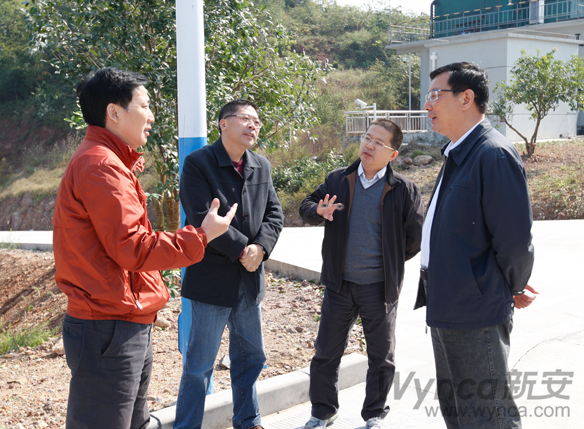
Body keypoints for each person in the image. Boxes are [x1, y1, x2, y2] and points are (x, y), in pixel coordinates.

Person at [52, 67, 237, 429]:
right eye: (145, 105)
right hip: (107, 325)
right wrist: (200, 236)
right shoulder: (101, 166)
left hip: (119, 320)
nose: (151, 116)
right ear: (114, 112)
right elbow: (133, 248)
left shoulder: (109, 161)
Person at [416, 62, 538, 428]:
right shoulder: (459, 152)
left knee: (487, 415)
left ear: (466, 98)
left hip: (474, 308)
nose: (427, 104)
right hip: (447, 302)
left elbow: (514, 239)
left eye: (435, 94)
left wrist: (514, 285)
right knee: (458, 412)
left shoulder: (492, 154)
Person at [299, 119, 424, 429]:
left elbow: (415, 237)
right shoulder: (339, 179)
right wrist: (318, 211)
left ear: (392, 154)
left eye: (378, 142)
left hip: (380, 288)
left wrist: (390, 262)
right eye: (367, 137)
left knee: (381, 357)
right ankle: (323, 412)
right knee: (326, 353)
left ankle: (374, 415)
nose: (369, 145)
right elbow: (307, 205)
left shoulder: (404, 189)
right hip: (339, 285)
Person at [174, 99, 284, 429]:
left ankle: (249, 421)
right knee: (199, 365)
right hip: (211, 281)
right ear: (223, 123)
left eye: (257, 121)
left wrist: (260, 249)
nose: (253, 126)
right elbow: (200, 217)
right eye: (246, 118)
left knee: (251, 358)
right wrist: (242, 250)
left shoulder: (261, 165)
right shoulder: (199, 163)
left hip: (249, 281)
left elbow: (274, 214)